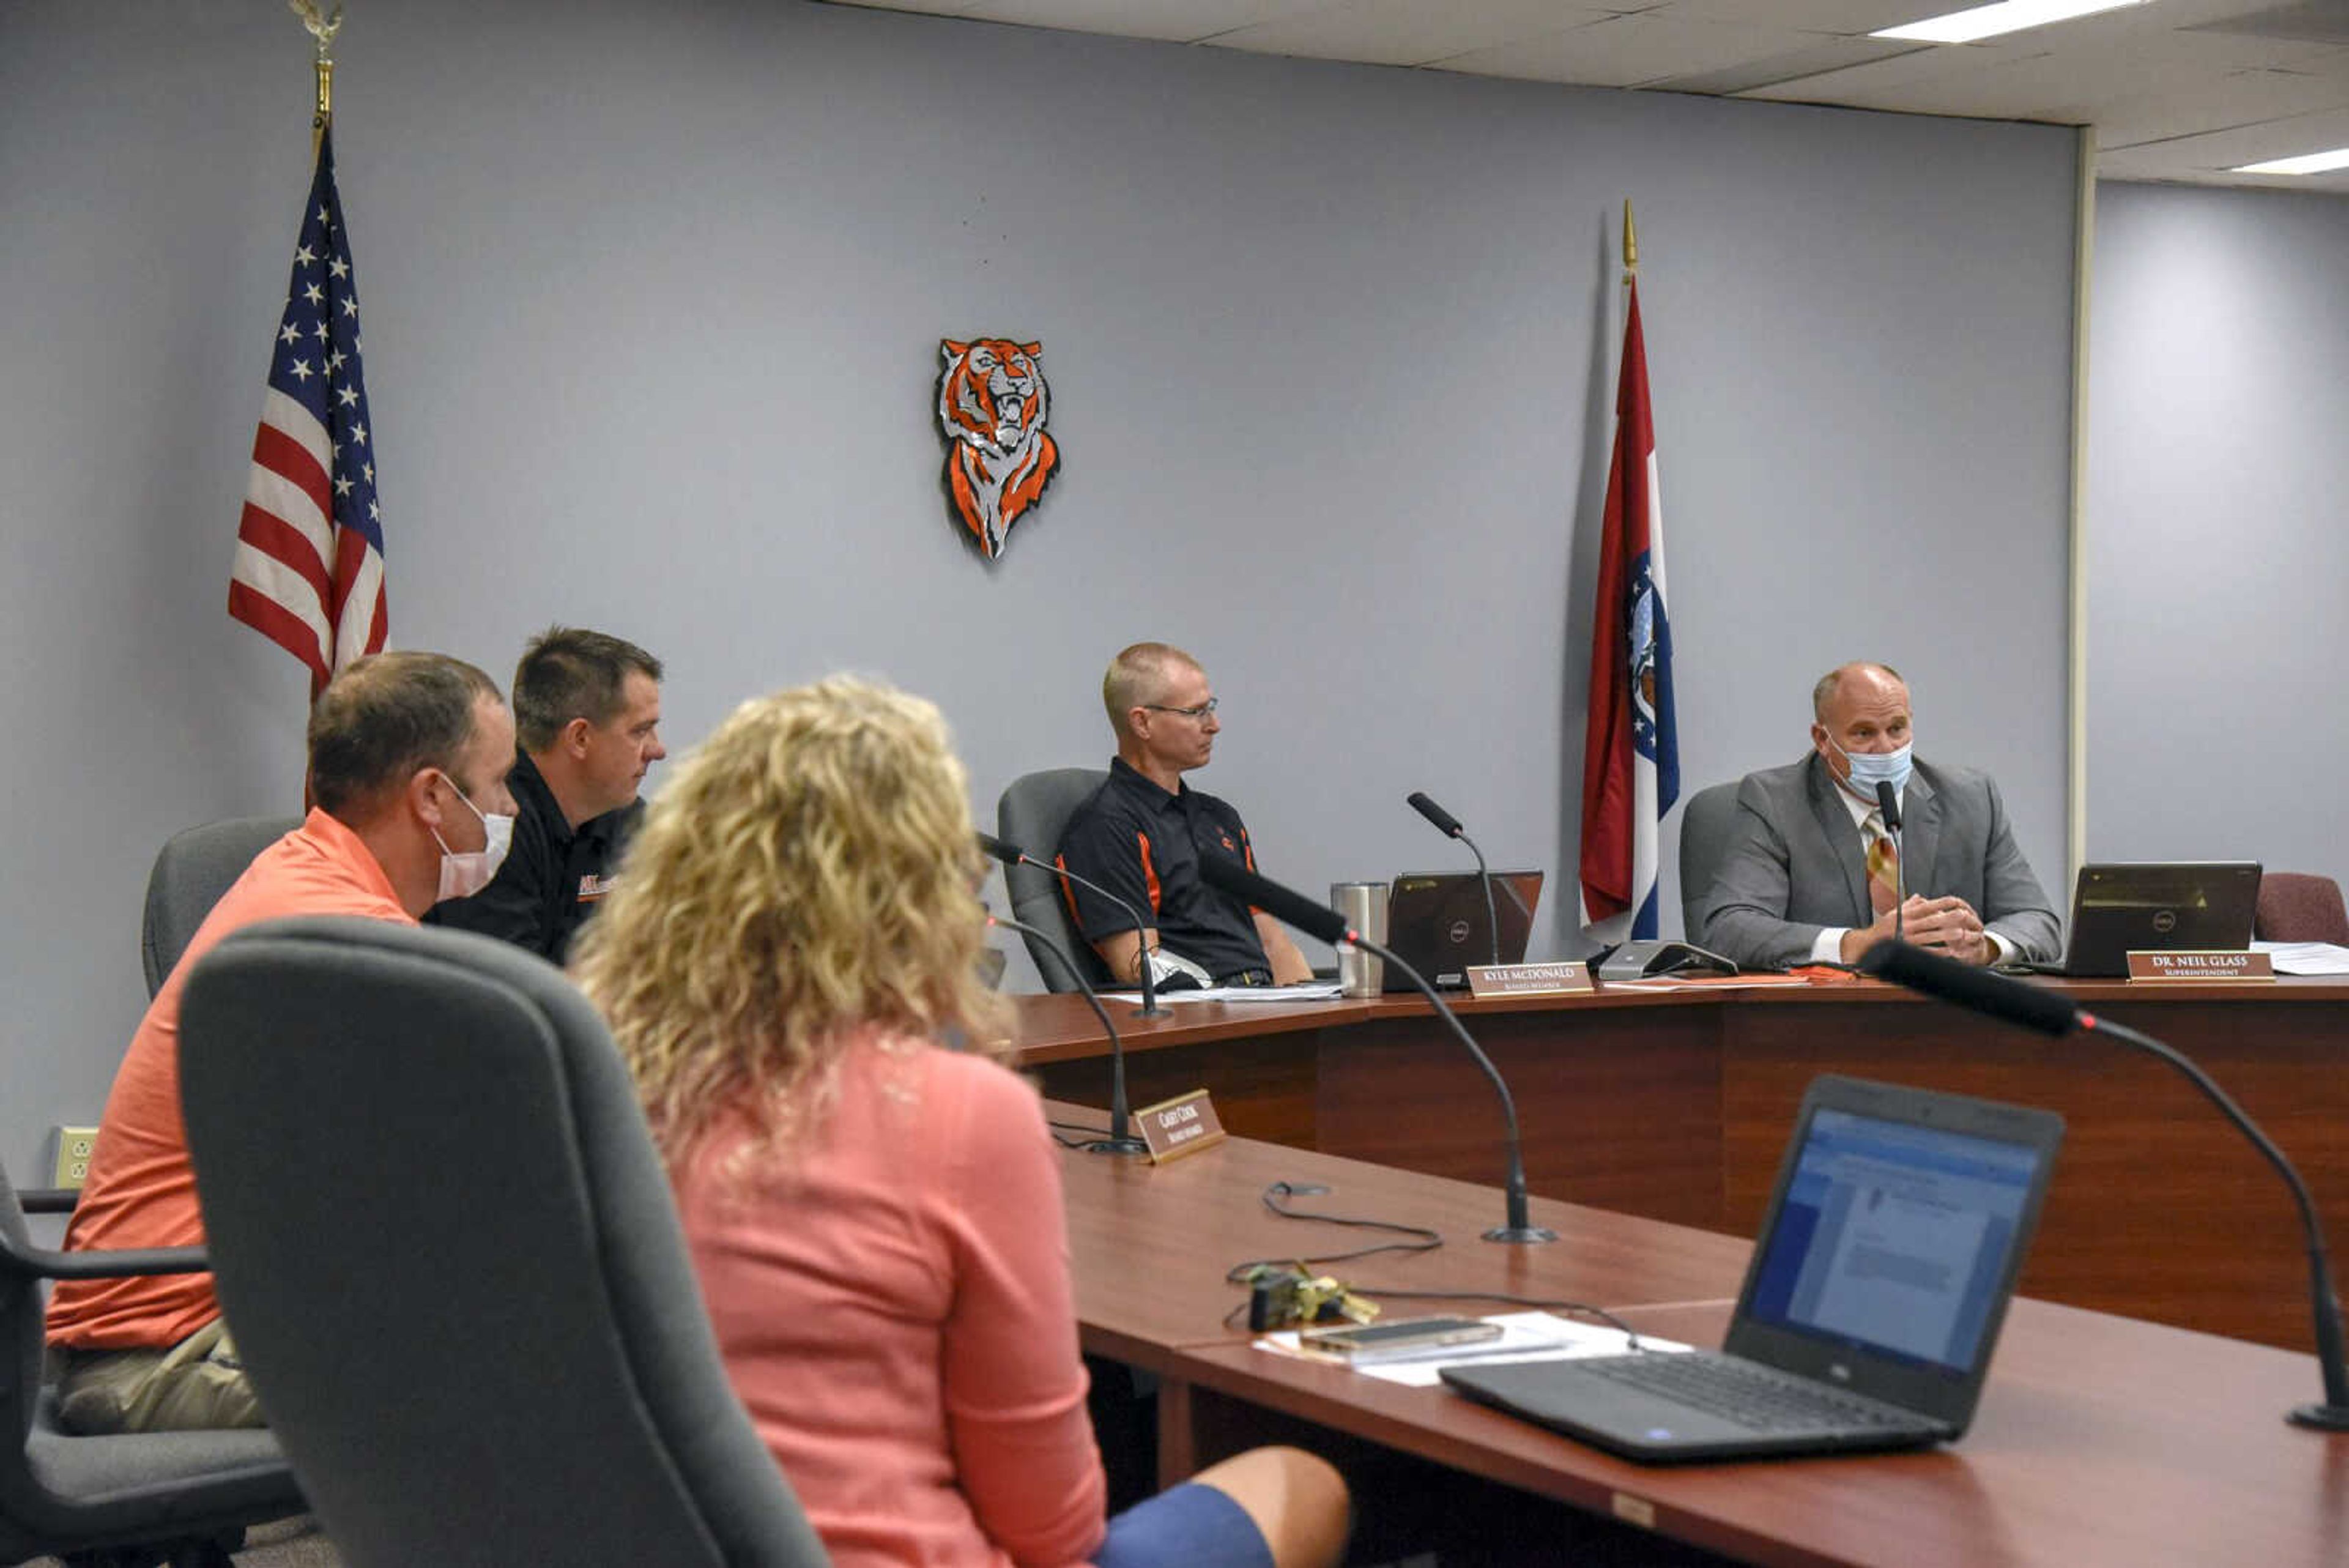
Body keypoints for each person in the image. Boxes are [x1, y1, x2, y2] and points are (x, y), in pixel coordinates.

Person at [573, 677, 1349, 1568]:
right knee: (1303, 1478)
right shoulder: (959, 1110)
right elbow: (1052, 1529)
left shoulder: (589, 1084)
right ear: (919, 887)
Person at [47, 652, 517, 1433]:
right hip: (163, 1356)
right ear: (433, 795)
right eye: (499, 783)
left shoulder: (301, 872)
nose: (509, 811)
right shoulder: (344, 934)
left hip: (191, 1317)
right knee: (541, 1380)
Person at [1692, 661, 2061, 971]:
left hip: (1945, 1022)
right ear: (1822, 740)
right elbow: (1730, 930)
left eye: (1897, 729)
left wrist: (1983, 949)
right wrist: (1857, 944)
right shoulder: (1775, 802)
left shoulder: (1972, 798)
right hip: (1817, 1026)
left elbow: (2038, 922)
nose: (1885, 748)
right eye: (1864, 733)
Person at [1054, 644, 1312, 989]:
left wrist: (1318, 1013)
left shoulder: (1220, 817)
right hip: (1199, 1015)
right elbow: (1137, 964)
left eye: (1211, 709)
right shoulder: (1106, 826)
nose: (1214, 725)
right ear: (1142, 722)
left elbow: (1273, 943)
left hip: (1260, 1002)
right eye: (1196, 712)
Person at [427, 626, 666, 962]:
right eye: (641, 731)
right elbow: (513, 991)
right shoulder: (492, 826)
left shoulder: (627, 820)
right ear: (580, 738)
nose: (658, 750)